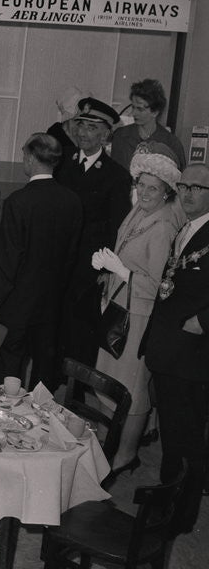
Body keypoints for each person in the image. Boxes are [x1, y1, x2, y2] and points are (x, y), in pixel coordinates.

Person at [91, 144, 182, 481]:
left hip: (139, 317)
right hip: (117, 305)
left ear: (166, 193)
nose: (144, 192)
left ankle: (125, 455)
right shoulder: (138, 214)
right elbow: (124, 253)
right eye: (140, 185)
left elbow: (159, 286)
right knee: (107, 378)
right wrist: (109, 273)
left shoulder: (162, 228)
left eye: (152, 188)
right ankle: (105, 440)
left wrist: (124, 273)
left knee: (131, 387)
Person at [0, 133, 82, 389]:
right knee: (43, 372)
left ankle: (4, 418)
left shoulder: (18, 202)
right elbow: (71, 256)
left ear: (31, 158)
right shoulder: (72, 201)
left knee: (7, 367)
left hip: (16, 303)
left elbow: (8, 261)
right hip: (51, 303)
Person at [140, 163, 209, 534]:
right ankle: (167, 504)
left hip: (192, 353)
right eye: (184, 186)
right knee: (173, 435)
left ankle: (178, 516)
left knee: (186, 439)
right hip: (170, 347)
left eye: (198, 187)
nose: (188, 193)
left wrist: (203, 322)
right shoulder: (187, 228)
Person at [56, 96, 132, 369]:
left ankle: (75, 393)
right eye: (80, 125)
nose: (83, 133)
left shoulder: (117, 176)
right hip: (57, 262)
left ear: (105, 133)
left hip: (88, 270)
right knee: (51, 328)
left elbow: (116, 229)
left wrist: (106, 271)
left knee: (79, 332)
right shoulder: (61, 163)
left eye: (91, 127)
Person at [110, 78, 186, 171]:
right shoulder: (121, 136)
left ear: (155, 112)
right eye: (133, 107)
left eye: (140, 109)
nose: (134, 113)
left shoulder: (171, 143)